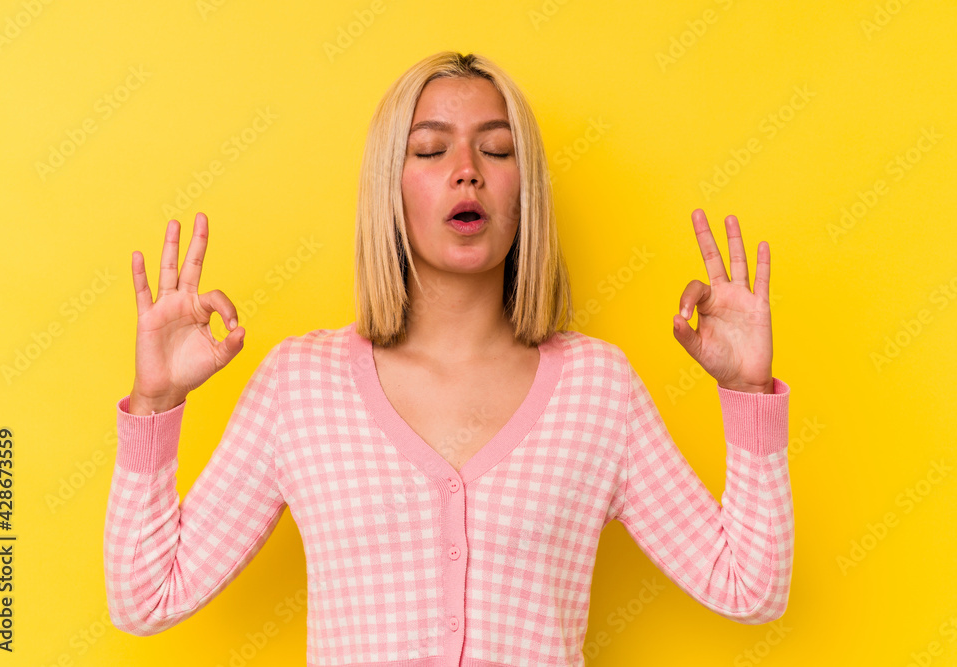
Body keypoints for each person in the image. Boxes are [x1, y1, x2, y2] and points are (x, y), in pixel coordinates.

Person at [104, 51, 792, 666]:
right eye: (431, 151)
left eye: (497, 150)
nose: (467, 172)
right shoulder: (299, 387)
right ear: (388, 187)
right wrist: (157, 402)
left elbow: (749, 585)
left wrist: (749, 390)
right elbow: (145, 596)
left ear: (528, 193)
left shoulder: (597, 389)